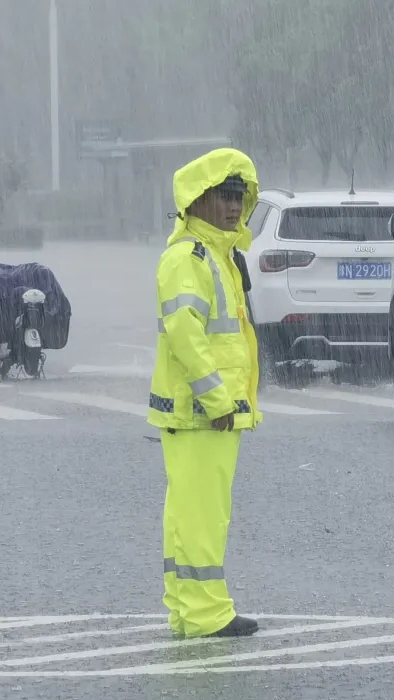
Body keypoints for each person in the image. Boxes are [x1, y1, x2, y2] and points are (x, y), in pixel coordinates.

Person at [146, 147, 264, 639]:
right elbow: (185, 335)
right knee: (203, 516)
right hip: (203, 413)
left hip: (201, 412)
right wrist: (219, 401)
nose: (233, 206)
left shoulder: (215, 257)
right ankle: (206, 614)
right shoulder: (189, 258)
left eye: (238, 196)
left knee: (188, 513)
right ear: (196, 202)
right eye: (223, 196)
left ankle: (187, 608)